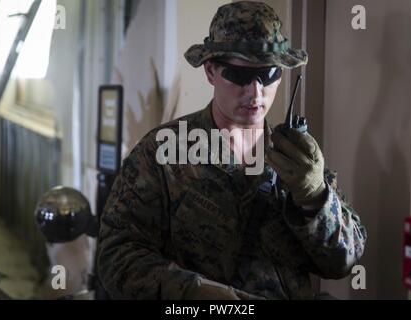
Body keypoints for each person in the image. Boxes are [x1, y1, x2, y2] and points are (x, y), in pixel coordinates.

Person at [97, 1, 367, 300]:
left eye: (268, 75)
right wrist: (198, 294)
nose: (255, 92)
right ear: (211, 71)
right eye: (239, 76)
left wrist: (315, 199)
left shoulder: (296, 160)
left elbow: (344, 262)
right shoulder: (163, 153)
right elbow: (116, 257)